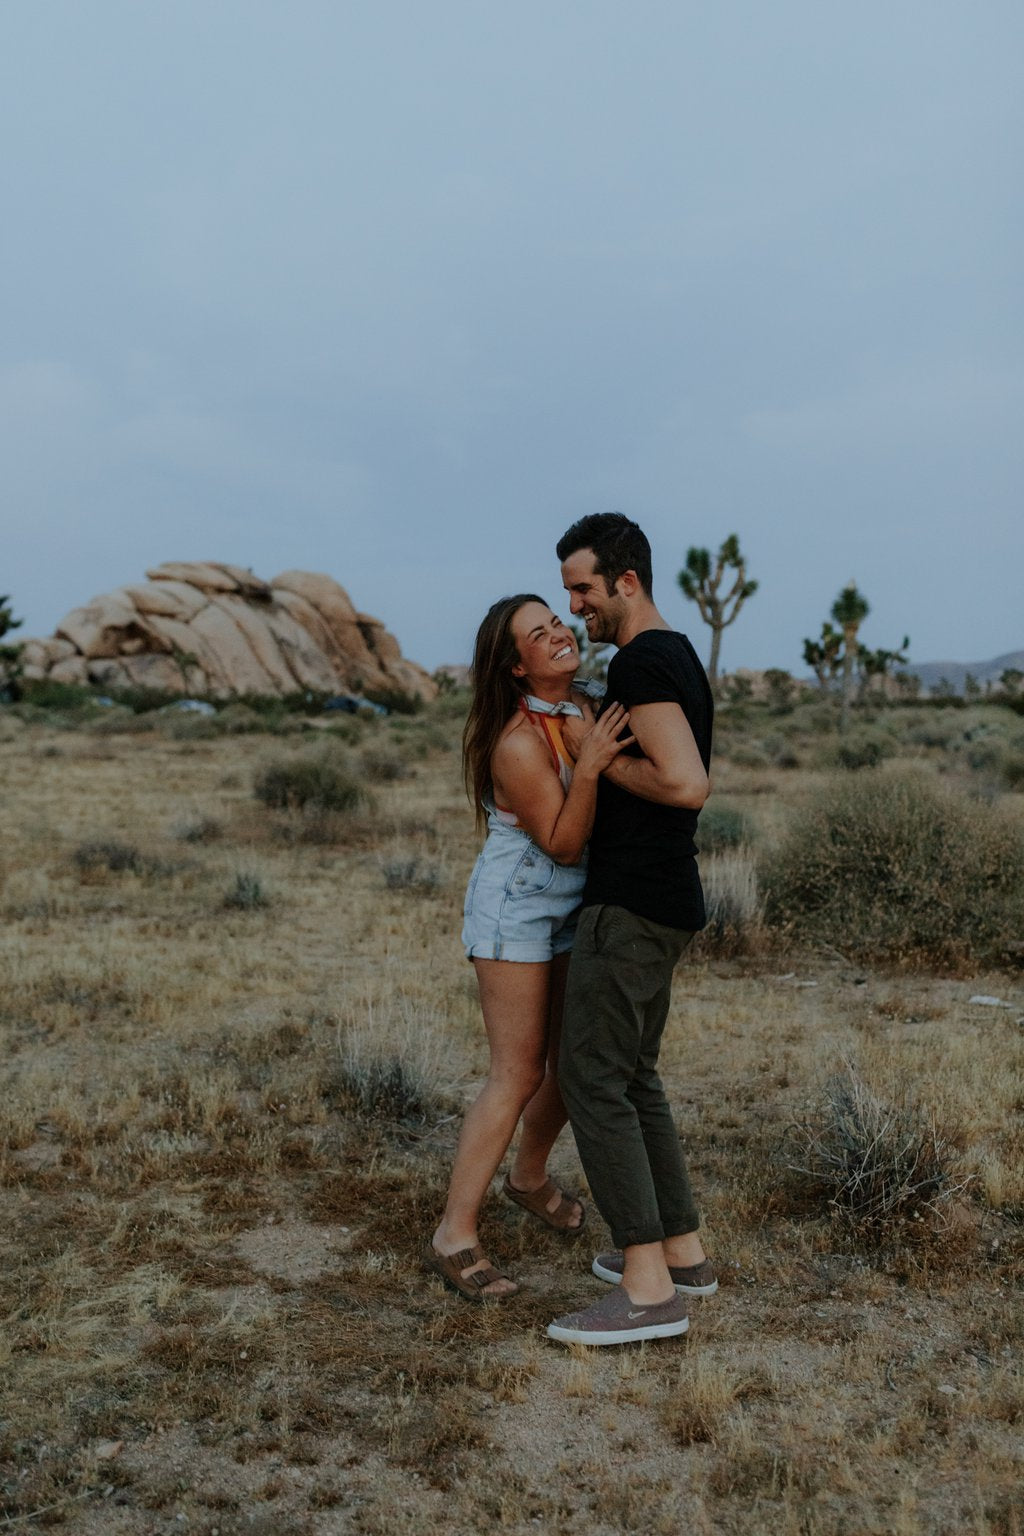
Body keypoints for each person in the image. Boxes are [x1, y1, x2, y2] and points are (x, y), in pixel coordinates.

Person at [426, 593, 632, 1301]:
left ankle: (529, 1175)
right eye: (537, 636)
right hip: (518, 904)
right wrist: (596, 766)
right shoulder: (517, 741)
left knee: (573, 1062)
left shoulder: (583, 703)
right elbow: (566, 842)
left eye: (556, 623)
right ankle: (454, 1233)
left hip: (575, 901)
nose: (557, 635)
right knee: (515, 1073)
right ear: (516, 666)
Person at [546, 513, 717, 1346]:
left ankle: (647, 1290)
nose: (573, 604)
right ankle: (681, 1251)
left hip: (633, 902)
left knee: (591, 1077)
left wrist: (599, 759)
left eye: (582, 588)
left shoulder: (645, 660)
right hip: (664, 898)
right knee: (635, 1075)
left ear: (626, 582)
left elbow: (686, 784)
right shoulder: (675, 653)